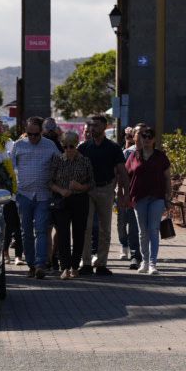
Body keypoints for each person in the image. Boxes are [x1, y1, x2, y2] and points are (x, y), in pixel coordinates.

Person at [77, 115, 128, 276]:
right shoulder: (84, 147)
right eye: (91, 126)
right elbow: (75, 168)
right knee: (86, 227)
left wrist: (125, 193)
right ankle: (85, 263)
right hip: (87, 190)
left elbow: (121, 170)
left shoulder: (113, 148)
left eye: (96, 125)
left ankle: (101, 264)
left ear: (105, 127)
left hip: (106, 190)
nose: (92, 129)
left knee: (105, 229)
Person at [9, 116, 58, 279]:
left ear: (41, 132)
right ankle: (30, 264)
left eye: (36, 134)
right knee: (26, 232)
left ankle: (40, 265)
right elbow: (10, 167)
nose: (32, 137)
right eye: (29, 134)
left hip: (44, 195)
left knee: (42, 230)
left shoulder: (50, 145)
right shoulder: (18, 145)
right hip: (24, 194)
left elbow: (60, 164)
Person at [124, 123, 171, 275]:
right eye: (143, 136)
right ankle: (144, 261)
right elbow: (126, 176)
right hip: (139, 197)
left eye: (149, 137)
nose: (146, 139)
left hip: (157, 197)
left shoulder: (160, 157)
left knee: (153, 229)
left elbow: (167, 178)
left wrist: (168, 196)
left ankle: (153, 263)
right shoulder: (133, 155)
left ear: (154, 140)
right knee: (142, 231)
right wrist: (125, 195)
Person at [48, 132, 94, 280]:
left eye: (71, 146)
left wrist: (80, 187)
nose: (68, 149)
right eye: (65, 146)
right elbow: (49, 182)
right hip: (62, 200)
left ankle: (75, 266)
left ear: (77, 144)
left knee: (79, 233)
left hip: (80, 200)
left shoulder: (85, 161)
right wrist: (61, 190)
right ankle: (65, 267)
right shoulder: (57, 160)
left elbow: (91, 183)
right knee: (62, 234)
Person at [116, 126, 140, 263]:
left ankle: (133, 250)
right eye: (128, 137)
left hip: (135, 195)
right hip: (123, 192)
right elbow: (119, 174)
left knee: (133, 223)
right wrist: (119, 191)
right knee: (121, 221)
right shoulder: (125, 153)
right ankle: (123, 244)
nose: (130, 140)